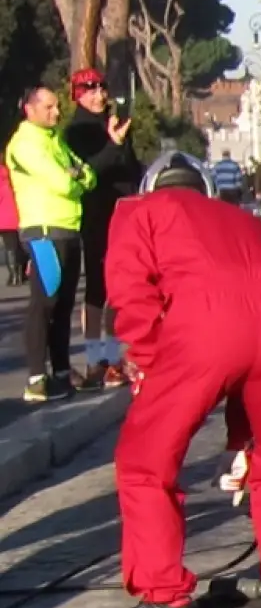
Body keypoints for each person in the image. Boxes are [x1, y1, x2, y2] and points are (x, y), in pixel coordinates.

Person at [101, 152, 261, 608]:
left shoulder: (140, 212)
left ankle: (165, 599)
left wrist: (149, 362)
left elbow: (131, 292)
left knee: (144, 462)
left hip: (203, 327)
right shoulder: (244, 221)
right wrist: (239, 432)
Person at [6, 86, 96, 401]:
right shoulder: (24, 143)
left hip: (69, 229)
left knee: (64, 305)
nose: (56, 113)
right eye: (49, 108)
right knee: (44, 302)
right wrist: (74, 177)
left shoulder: (55, 139)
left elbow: (88, 176)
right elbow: (62, 182)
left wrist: (76, 175)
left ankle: (60, 371)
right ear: (30, 110)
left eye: (57, 107)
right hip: (43, 231)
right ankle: (35, 378)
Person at [64, 69, 138, 390]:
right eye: (89, 90)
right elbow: (88, 172)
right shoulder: (75, 131)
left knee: (120, 290)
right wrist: (112, 143)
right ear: (77, 94)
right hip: (95, 214)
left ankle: (112, 357)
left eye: (101, 89)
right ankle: (96, 360)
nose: (98, 95)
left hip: (124, 212)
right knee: (98, 289)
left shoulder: (115, 121)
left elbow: (130, 166)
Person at [0, 158, 20, 288]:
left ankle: (14, 276)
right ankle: (22, 274)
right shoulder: (15, 175)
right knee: (19, 246)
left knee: (10, 248)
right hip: (20, 216)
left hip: (4, 219)